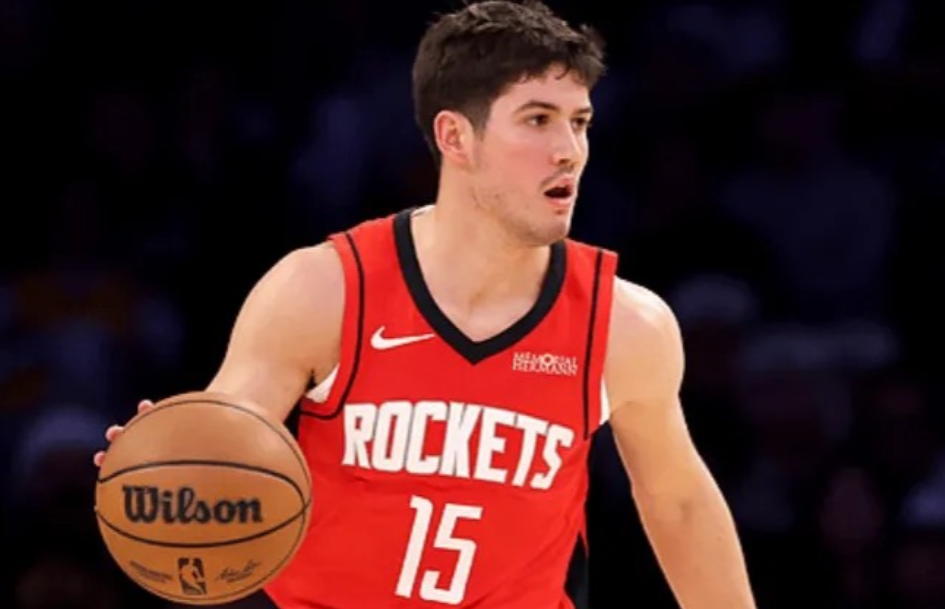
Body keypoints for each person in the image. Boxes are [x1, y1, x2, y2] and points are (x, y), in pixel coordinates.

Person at [95, 1, 757, 607]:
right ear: (454, 137)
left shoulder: (622, 323)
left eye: (579, 123)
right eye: (537, 120)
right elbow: (230, 437)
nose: (569, 151)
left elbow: (677, 502)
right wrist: (168, 460)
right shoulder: (324, 289)